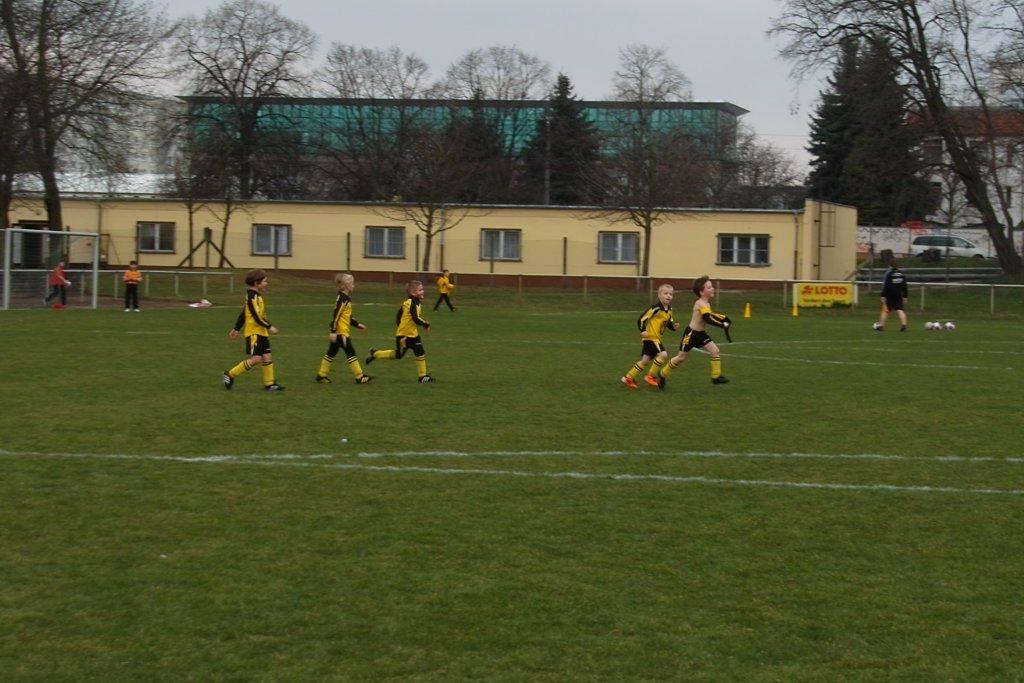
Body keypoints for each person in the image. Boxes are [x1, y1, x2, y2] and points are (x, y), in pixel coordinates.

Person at [659, 275, 732, 386]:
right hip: (691, 334)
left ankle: (716, 377)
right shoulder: (700, 303)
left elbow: (710, 315)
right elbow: (707, 318)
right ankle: (662, 374)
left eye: (712, 286)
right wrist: (722, 325)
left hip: (701, 334)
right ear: (701, 292)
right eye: (709, 287)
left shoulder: (706, 304)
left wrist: (723, 318)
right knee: (680, 358)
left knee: (715, 351)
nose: (712, 288)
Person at [223, 269, 284, 391]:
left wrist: (236, 328)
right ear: (257, 283)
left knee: (267, 356)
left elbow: (244, 313)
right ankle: (230, 374)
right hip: (254, 333)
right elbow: (256, 317)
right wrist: (269, 326)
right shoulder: (252, 296)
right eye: (264, 281)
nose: (266, 284)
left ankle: (269, 384)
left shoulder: (257, 296)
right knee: (256, 359)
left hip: (261, 332)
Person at [365, 279, 434, 383]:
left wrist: (401, 326)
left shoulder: (412, 302)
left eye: (422, 289)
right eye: (420, 290)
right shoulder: (412, 303)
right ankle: (375, 353)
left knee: (420, 352)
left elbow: (399, 316)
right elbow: (415, 318)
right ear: (413, 293)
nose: (423, 291)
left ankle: (422, 376)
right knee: (398, 355)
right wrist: (426, 324)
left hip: (413, 334)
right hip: (404, 336)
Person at [315, 273, 373, 385]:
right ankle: (360, 376)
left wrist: (357, 324)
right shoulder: (343, 299)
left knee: (331, 353)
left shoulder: (345, 298)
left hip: (340, 331)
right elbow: (336, 315)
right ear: (346, 285)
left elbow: (347, 316)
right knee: (350, 352)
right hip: (341, 333)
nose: (354, 285)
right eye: (352, 283)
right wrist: (333, 331)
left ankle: (321, 375)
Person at [620, 284, 679, 389]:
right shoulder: (656, 308)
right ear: (659, 295)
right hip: (651, 338)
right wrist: (642, 330)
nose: (668, 296)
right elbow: (642, 319)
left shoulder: (669, 310)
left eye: (671, 294)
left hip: (656, 338)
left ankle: (628, 378)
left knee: (645, 360)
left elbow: (669, 323)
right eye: (665, 293)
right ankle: (650, 376)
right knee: (663, 355)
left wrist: (673, 327)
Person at [874, 260, 908, 332]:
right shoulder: (901, 274)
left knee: (885, 311)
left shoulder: (889, 274)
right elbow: (904, 286)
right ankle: (904, 325)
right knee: (900, 309)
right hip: (898, 294)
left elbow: (886, 285)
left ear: (890, 266)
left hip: (890, 294)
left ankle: (881, 326)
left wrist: (883, 295)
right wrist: (905, 296)